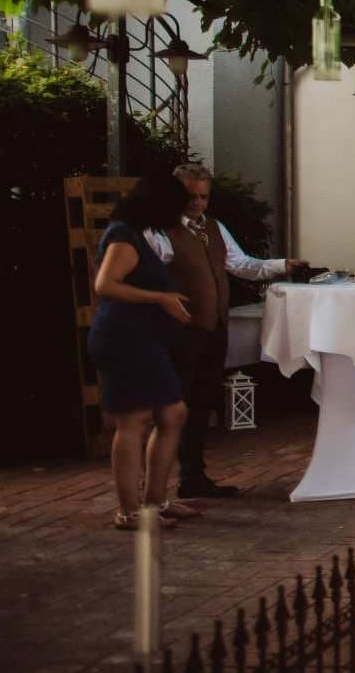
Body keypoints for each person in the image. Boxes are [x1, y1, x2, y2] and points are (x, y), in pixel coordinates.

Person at [158, 163, 308, 499]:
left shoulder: (214, 227)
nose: (197, 204)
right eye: (191, 196)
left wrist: (282, 266)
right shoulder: (161, 231)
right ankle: (160, 484)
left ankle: (193, 476)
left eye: (203, 197)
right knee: (175, 405)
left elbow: (241, 264)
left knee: (201, 402)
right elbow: (147, 274)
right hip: (181, 330)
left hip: (214, 328)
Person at [89, 174, 196, 531]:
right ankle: (129, 511)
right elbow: (105, 285)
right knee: (133, 420)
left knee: (173, 414)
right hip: (124, 338)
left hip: (145, 339)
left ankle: (155, 501)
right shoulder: (123, 236)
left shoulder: (137, 234)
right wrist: (161, 298)